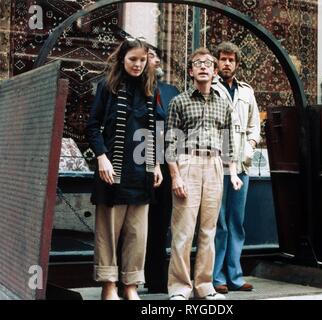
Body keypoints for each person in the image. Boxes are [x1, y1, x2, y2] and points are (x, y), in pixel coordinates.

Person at [85, 37, 163, 300]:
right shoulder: (107, 86)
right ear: (122, 59)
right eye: (133, 59)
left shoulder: (151, 88)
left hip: (141, 172)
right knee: (108, 232)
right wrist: (101, 157)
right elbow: (92, 126)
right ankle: (109, 286)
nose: (138, 65)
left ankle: (130, 286)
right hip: (112, 170)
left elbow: (155, 130)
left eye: (142, 60)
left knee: (137, 234)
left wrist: (157, 164)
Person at [165, 47, 243, 300]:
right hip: (187, 162)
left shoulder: (224, 105)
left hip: (214, 165)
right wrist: (175, 175)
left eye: (208, 63)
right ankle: (179, 288)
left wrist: (233, 173)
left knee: (208, 230)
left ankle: (204, 287)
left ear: (215, 70)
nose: (203, 67)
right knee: (183, 230)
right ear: (191, 71)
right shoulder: (179, 102)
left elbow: (229, 144)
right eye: (197, 63)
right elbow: (170, 143)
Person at [211, 42, 260, 294]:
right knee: (218, 223)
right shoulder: (210, 87)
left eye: (231, 60)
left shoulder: (247, 92)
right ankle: (216, 277)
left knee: (236, 222)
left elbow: (255, 126)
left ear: (237, 64)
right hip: (217, 166)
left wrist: (250, 147)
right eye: (223, 59)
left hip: (241, 166)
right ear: (217, 62)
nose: (227, 63)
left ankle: (235, 276)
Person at [144, 47, 180, 293]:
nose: (156, 59)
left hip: (166, 166)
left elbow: (174, 130)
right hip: (137, 163)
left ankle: (157, 280)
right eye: (150, 55)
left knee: (160, 223)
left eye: (155, 56)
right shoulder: (131, 88)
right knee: (134, 225)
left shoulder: (171, 91)